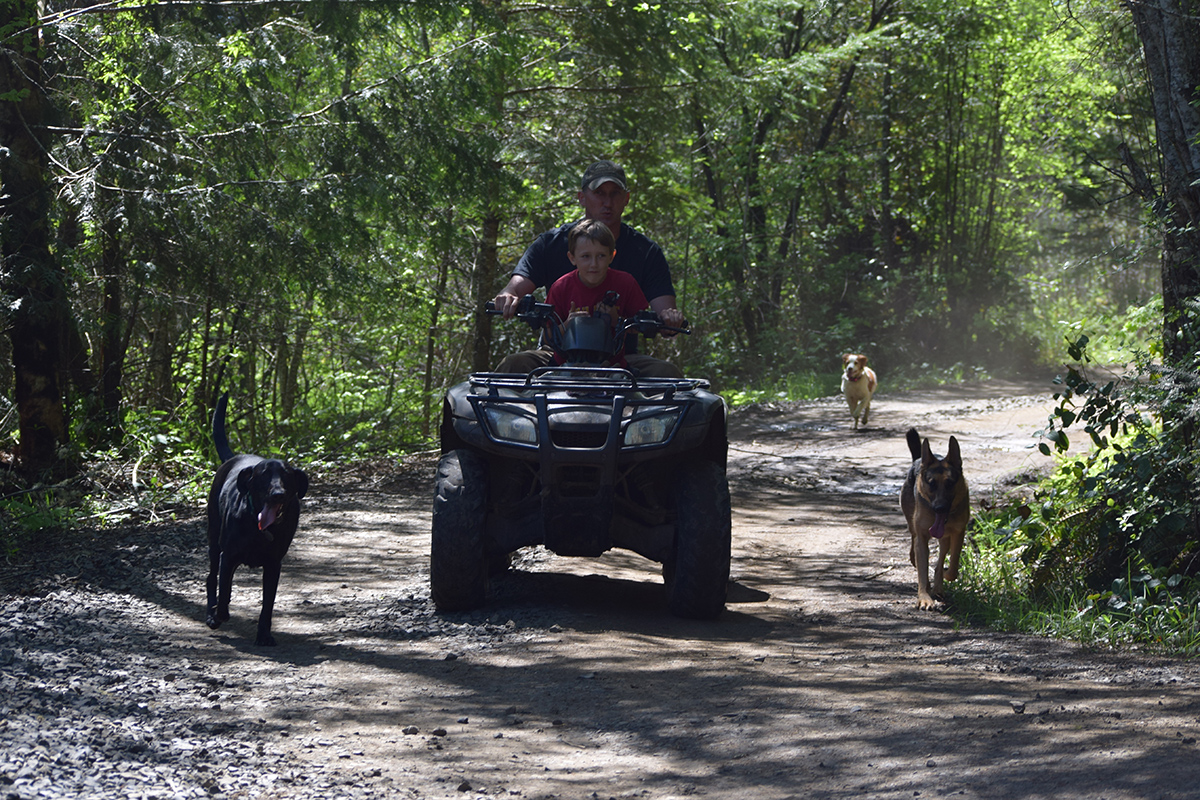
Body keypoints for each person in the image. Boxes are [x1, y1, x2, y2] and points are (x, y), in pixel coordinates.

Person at [494, 160, 685, 377]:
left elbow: (664, 313)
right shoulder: (551, 245)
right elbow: (516, 288)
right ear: (582, 198)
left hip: (619, 358)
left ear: (626, 199)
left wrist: (668, 319)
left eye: (615, 193)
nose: (607, 202)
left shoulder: (645, 252)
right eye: (599, 193)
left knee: (667, 374)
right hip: (558, 354)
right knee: (513, 366)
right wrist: (508, 296)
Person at [544, 219, 648, 368]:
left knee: (666, 371)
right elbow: (548, 337)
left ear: (611, 256)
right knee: (515, 363)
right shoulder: (561, 287)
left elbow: (640, 325)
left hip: (614, 367)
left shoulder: (625, 283)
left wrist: (616, 321)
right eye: (586, 256)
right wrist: (567, 325)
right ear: (572, 258)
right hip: (565, 366)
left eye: (601, 256)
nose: (594, 264)